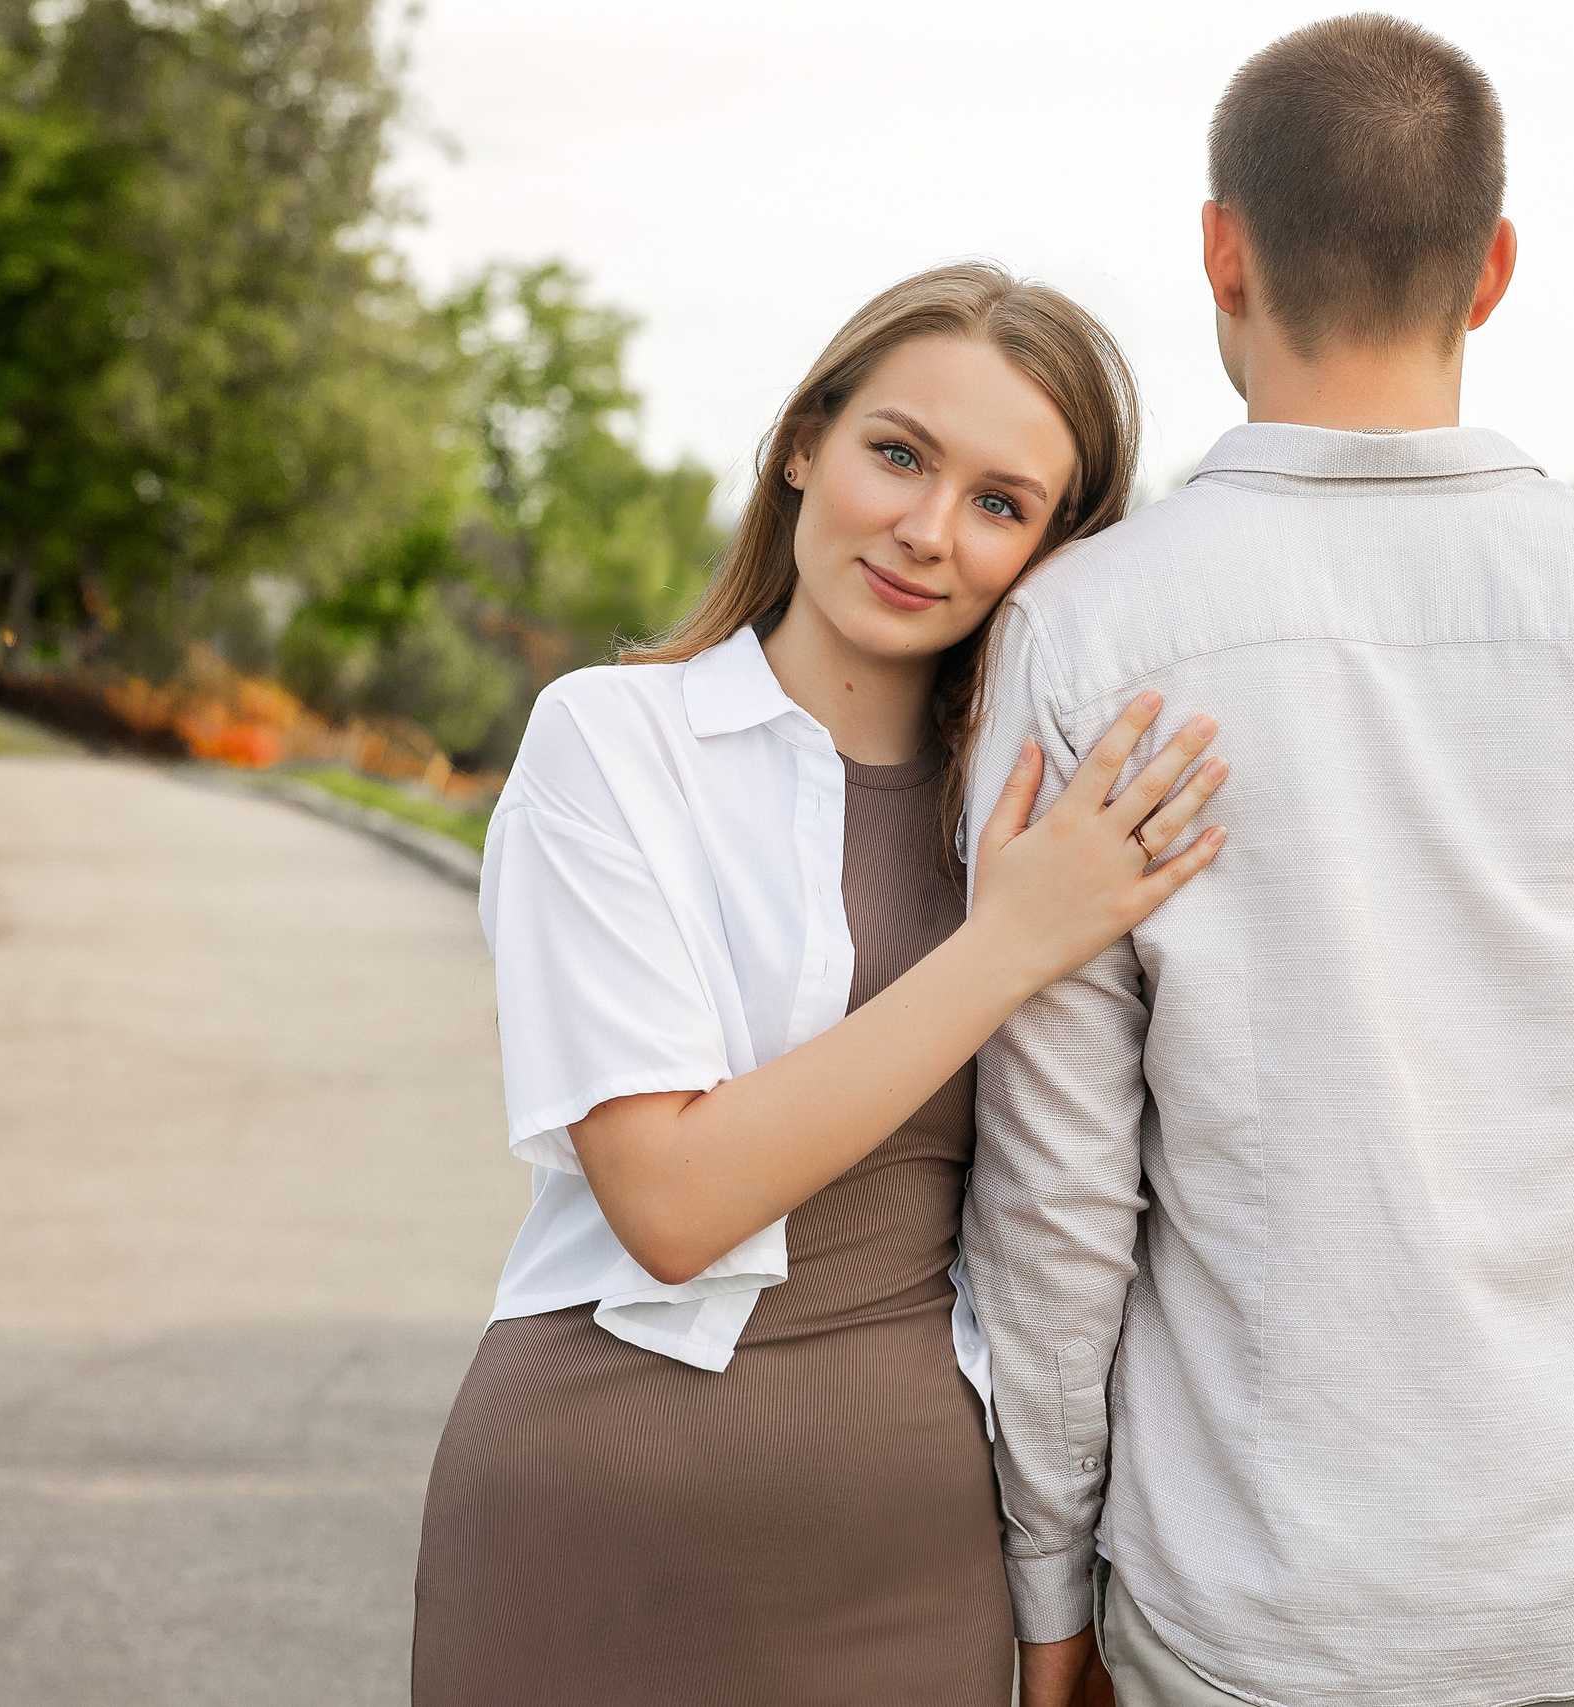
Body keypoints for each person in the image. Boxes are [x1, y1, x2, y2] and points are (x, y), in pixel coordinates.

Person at [963, 17, 1574, 1707]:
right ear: (1492, 267)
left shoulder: (1081, 639)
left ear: (1222, 251)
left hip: (1248, 1611)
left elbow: (1060, 1201)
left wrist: (1047, 1583)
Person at [409, 263, 1231, 1707]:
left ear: (1053, 552)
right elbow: (668, 1201)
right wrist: (1007, 944)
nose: (927, 532)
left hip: (911, 1555)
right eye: (897, 454)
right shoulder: (613, 745)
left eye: (1001, 502)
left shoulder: (1044, 831)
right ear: (806, 444)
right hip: (586, 1528)